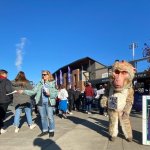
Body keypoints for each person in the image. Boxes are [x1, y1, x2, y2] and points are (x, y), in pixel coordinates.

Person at [18, 70, 58, 137]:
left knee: (50, 117)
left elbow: (56, 93)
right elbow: (33, 91)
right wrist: (23, 91)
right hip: (40, 102)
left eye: (45, 74)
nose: (43, 76)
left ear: (48, 75)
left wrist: (50, 94)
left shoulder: (52, 83)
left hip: (49, 102)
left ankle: (51, 130)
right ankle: (45, 130)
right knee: (43, 117)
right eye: (42, 74)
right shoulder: (39, 83)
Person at [0, 69, 13, 134]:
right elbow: (9, 91)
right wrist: (11, 98)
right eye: (7, 74)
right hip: (4, 100)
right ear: (4, 74)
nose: (7, 75)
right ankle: (1, 128)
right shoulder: (6, 81)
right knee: (1, 115)